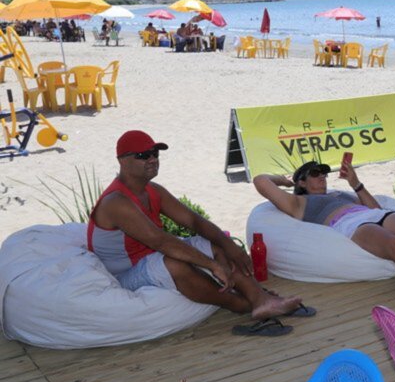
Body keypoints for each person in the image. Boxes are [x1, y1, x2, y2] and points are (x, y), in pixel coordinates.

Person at [88, 130, 304, 326]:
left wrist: (229, 246)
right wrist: (212, 265)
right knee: (175, 263)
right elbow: (161, 241)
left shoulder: (152, 190)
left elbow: (194, 221)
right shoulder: (117, 202)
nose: (152, 159)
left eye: (155, 153)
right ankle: (241, 305)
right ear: (122, 161)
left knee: (216, 245)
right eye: (143, 155)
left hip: (150, 256)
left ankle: (261, 300)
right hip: (124, 273)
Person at [253, 158, 395, 281]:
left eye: (324, 173)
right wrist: (284, 182)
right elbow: (260, 181)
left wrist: (355, 183)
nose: (322, 176)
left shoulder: (339, 194)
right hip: (351, 224)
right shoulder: (298, 202)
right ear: (301, 182)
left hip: (371, 214)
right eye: (315, 173)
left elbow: (376, 209)